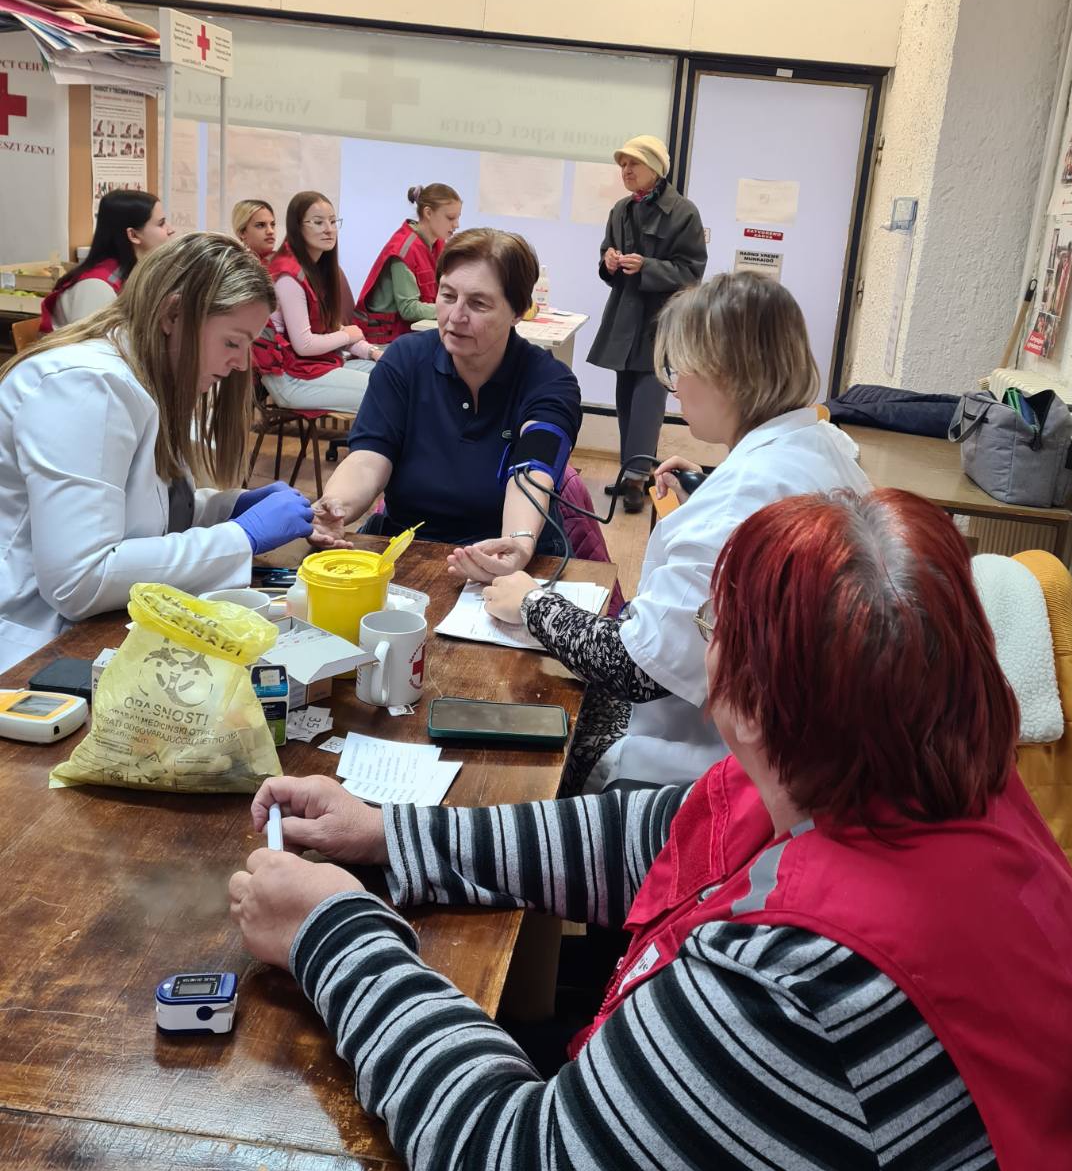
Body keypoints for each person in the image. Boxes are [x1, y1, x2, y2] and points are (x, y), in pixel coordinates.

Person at [229, 489, 1072, 1171]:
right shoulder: (913, 771)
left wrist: (334, 937)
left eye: (711, 628)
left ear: (748, 697)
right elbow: (663, 838)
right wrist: (393, 837)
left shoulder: (801, 999)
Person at [484, 272, 869, 790]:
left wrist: (532, 604)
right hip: (805, 740)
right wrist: (708, 490)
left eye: (677, 369)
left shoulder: (739, 501)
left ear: (723, 375)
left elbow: (636, 668)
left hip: (712, 768)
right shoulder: (822, 443)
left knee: (519, 748)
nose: (673, 388)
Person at [0, 233, 314, 675]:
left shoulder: (145, 377)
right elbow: (80, 579)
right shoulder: (87, 387)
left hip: (87, 633)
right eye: (232, 343)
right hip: (31, 651)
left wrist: (225, 508)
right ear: (173, 314)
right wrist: (241, 537)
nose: (242, 364)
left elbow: (137, 509)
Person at [310, 228, 580, 571]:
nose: (455, 316)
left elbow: (533, 471)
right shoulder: (404, 361)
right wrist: (336, 507)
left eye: (478, 304)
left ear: (518, 312)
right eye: (448, 295)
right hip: (409, 548)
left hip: (512, 555)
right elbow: (368, 458)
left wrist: (517, 544)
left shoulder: (548, 380)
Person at [588, 135, 706, 512]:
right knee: (626, 400)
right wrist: (608, 263)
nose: (625, 170)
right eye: (622, 164)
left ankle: (638, 480)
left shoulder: (684, 212)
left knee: (648, 403)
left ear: (655, 168)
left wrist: (648, 267)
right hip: (624, 318)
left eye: (633, 163)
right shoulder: (621, 209)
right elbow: (607, 257)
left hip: (660, 321)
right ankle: (632, 472)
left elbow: (692, 272)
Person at [253, 191, 381, 414]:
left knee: (394, 375)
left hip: (316, 366)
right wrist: (348, 336)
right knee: (385, 392)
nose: (329, 229)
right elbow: (304, 345)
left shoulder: (316, 269)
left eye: (332, 221)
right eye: (318, 222)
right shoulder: (288, 276)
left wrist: (371, 351)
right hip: (291, 379)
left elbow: (329, 328)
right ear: (297, 227)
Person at [39, 189, 174, 330]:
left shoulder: (136, 273)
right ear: (133, 235)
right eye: (161, 223)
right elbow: (93, 342)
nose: (170, 230)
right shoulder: (95, 286)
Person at [354, 183, 463, 343]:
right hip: (384, 339)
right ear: (428, 213)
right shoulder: (405, 249)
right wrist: (450, 307)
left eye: (458, 217)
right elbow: (409, 309)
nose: (457, 225)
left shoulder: (437, 244)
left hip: (409, 332)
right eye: (451, 218)